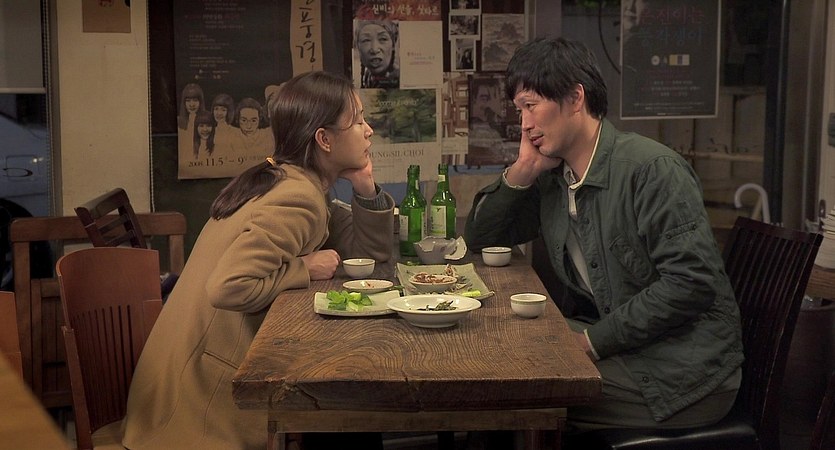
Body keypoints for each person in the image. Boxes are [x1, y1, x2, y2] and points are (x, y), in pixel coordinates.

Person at [464, 37, 743, 433]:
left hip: (682, 372)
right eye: (519, 110)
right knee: (490, 350)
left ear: (575, 98)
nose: (523, 124)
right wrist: (524, 167)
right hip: (626, 348)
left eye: (531, 105)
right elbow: (481, 239)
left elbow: (690, 283)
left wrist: (591, 343)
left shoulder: (652, 169)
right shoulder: (556, 176)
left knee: (509, 389)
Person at [122, 71, 394, 449]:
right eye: (358, 120)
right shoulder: (296, 198)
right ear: (324, 139)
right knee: (346, 405)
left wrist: (365, 185)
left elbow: (368, 259)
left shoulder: (290, 180)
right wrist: (303, 268)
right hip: (197, 406)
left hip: (171, 387)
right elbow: (228, 287)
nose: (369, 130)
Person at [355, 19, 399, 88]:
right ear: (358, 46)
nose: (374, 49)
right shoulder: (366, 78)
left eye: (383, 39)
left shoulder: (400, 81)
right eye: (366, 40)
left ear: (393, 44)